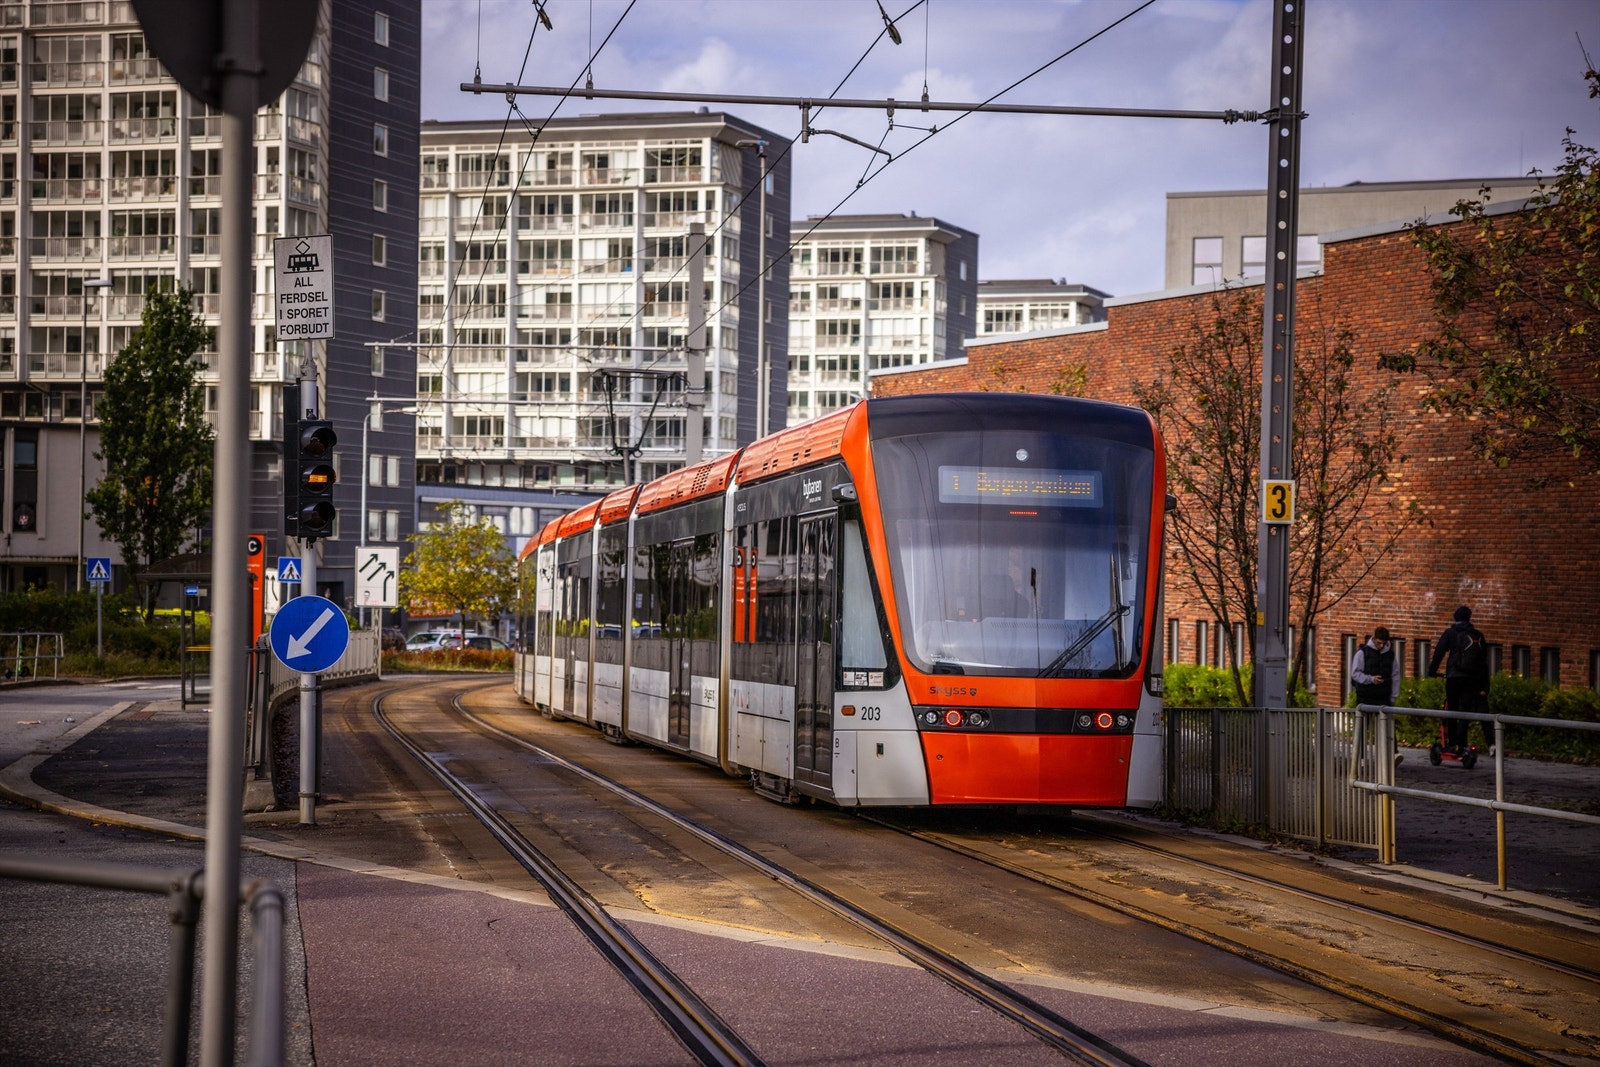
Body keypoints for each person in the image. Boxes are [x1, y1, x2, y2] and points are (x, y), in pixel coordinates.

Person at [1428, 605, 1490, 754]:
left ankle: (1452, 744)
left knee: (1452, 710)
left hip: (1454, 677)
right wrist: (1484, 685)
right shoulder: (1477, 635)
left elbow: (1439, 653)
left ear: (1455, 617)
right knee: (1464, 711)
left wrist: (1432, 671)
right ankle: (1462, 745)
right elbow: (1483, 662)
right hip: (1471, 679)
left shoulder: (1450, 633)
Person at [1350, 626, 1400, 707]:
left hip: (1384, 699)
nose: (1381, 646)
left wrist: (1393, 697)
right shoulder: (1362, 653)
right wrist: (1371, 679)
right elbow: (1355, 674)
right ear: (1373, 639)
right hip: (1365, 698)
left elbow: (1395, 676)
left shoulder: (1390, 655)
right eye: (1379, 643)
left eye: (1384, 643)